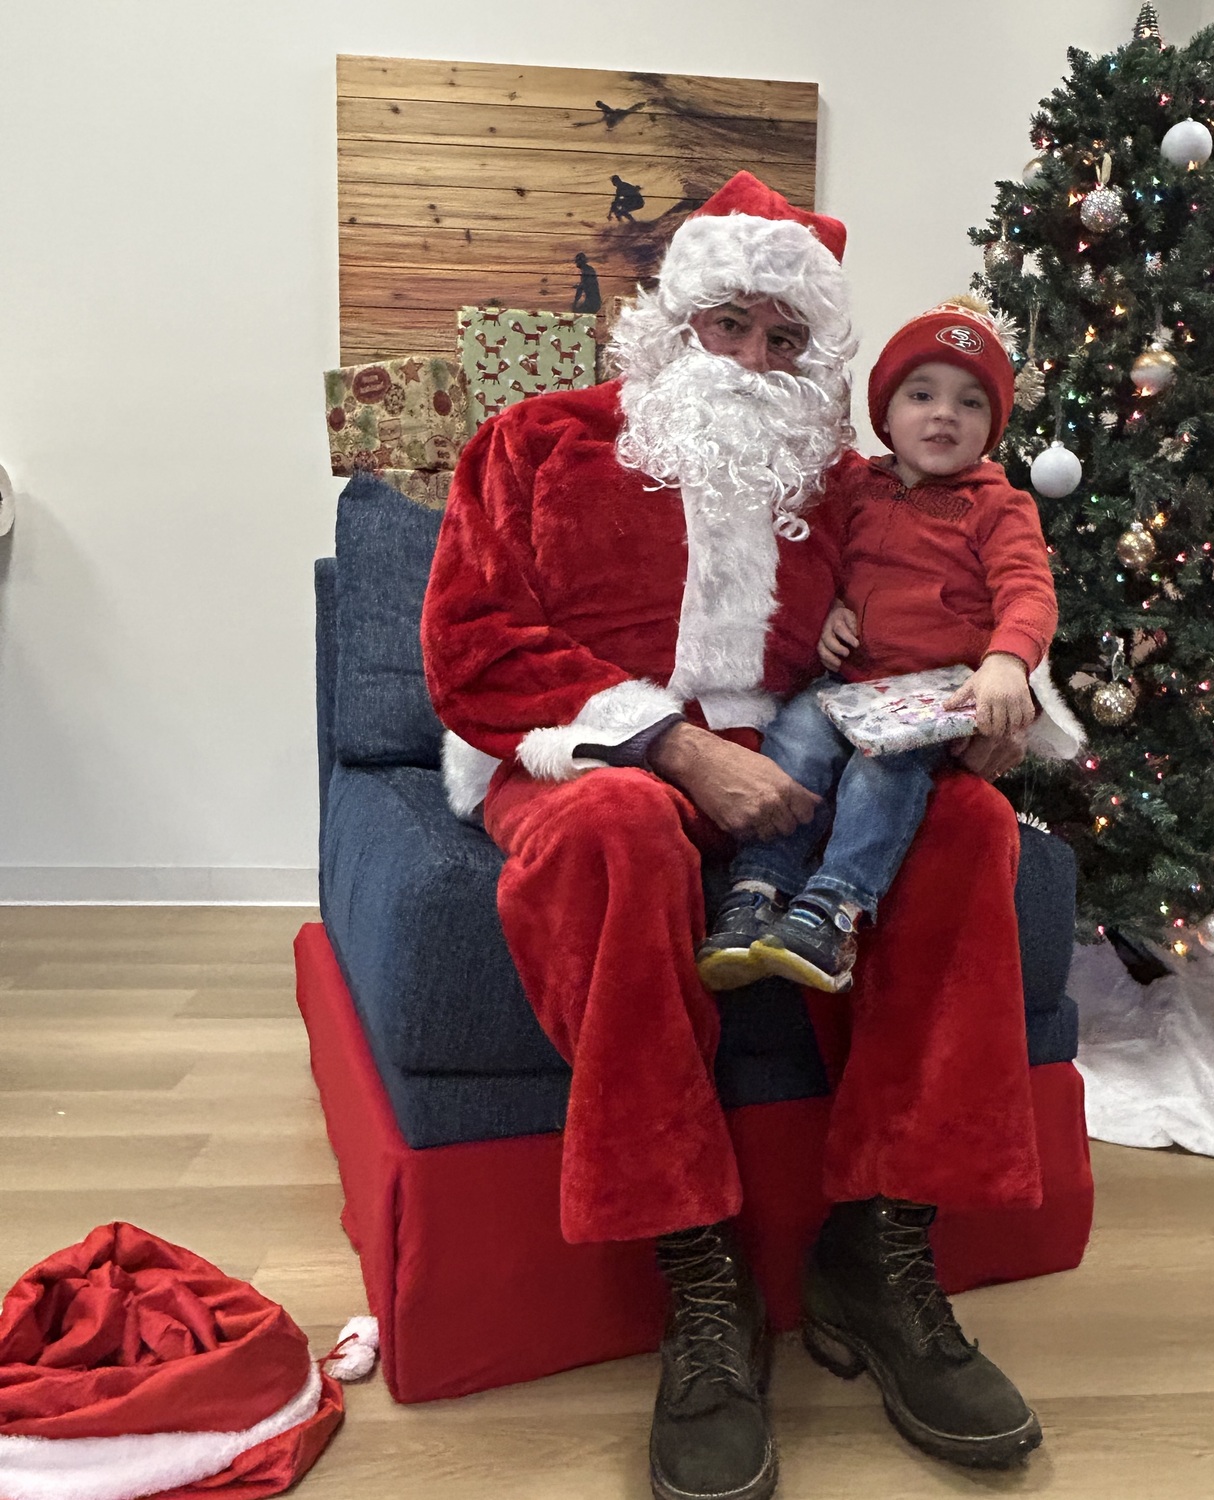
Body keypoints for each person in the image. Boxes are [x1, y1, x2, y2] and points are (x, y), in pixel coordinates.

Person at [422, 173, 1071, 1500]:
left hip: (797, 761)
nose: (756, 361)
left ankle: (879, 1248)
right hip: (591, 757)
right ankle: (700, 1275)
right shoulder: (538, 439)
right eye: (733, 328)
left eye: (789, 342)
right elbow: (473, 650)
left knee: (968, 829)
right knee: (617, 832)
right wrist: (671, 745)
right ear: (677, 322)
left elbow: (953, 578)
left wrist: (997, 694)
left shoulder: (843, 480)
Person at [698, 299, 1059, 996]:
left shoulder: (999, 504)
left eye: (970, 402)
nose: (943, 414)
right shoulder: (856, 484)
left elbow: (1028, 589)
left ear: (993, 427)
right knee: (795, 741)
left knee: (879, 776)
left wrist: (1006, 661)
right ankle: (755, 891)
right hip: (844, 688)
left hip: (931, 700)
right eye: (920, 395)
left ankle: (831, 909)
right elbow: (813, 558)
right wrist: (827, 604)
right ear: (885, 414)